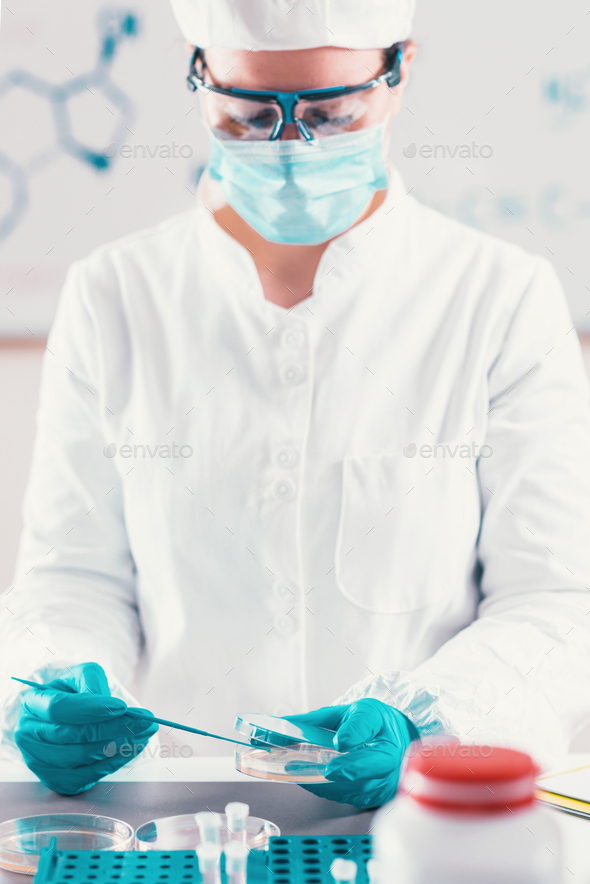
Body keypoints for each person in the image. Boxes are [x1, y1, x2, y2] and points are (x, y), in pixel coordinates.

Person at [1, 0, 590, 808]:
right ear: (197, 70)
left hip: (431, 818)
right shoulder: (115, 295)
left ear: (400, 70)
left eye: (329, 112)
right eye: (247, 114)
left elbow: (554, 597)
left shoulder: (498, 297)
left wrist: (432, 719)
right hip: (181, 821)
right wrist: (55, 676)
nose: (289, 147)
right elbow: (73, 576)